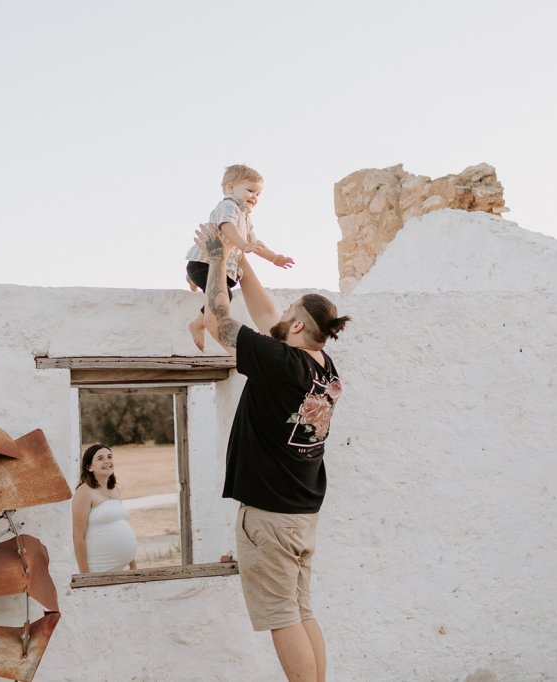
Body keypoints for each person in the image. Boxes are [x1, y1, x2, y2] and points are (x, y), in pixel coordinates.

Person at [194, 222, 350, 682]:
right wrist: (241, 263)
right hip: (302, 515)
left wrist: (217, 257)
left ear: (298, 325)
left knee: (283, 618)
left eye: (289, 311)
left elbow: (218, 321)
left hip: (270, 518)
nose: (280, 314)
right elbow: (268, 317)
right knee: (301, 611)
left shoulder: (280, 363)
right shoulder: (322, 367)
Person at [185, 164, 295, 351]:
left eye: (258, 194)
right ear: (230, 188)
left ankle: (191, 279)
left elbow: (254, 242)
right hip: (204, 264)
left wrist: (273, 257)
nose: (255, 197)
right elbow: (227, 226)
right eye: (250, 190)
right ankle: (197, 324)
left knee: (227, 286)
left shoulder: (245, 217)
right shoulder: (229, 206)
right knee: (224, 296)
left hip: (225, 268)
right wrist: (243, 245)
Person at [71, 443, 138, 573]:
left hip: (120, 569)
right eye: (100, 458)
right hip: (98, 568)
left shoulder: (115, 490)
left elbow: (121, 525)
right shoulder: (84, 492)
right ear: (89, 467)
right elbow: (78, 536)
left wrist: (132, 563)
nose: (107, 461)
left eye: (109, 457)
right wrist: (85, 575)